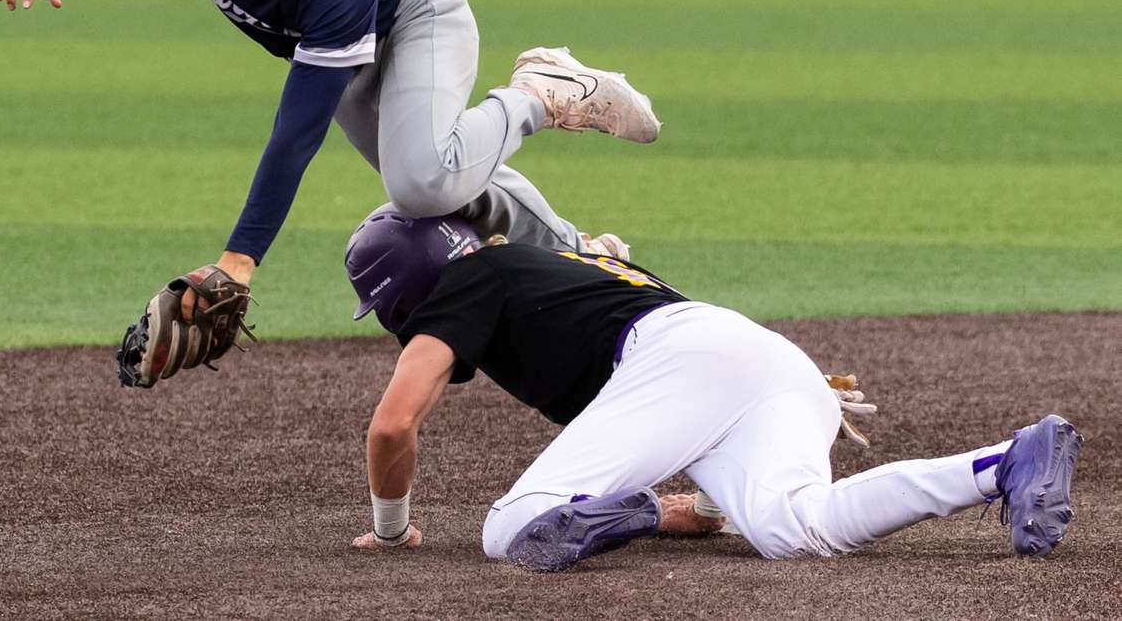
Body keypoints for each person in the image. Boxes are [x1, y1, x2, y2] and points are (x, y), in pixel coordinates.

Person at [0, 0, 658, 322]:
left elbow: (296, 129)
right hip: (335, 49)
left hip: (415, 22)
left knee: (421, 180)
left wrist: (239, 259)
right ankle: (585, 252)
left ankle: (539, 93)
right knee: (452, 177)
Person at [342, 206, 1083, 570]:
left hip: (680, 358)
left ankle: (619, 509)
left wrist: (390, 527)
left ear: (402, 294)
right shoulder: (542, 267)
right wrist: (673, 511)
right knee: (797, 528)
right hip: (762, 357)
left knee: (510, 529)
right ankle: (1005, 461)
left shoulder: (466, 281)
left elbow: (392, 424)